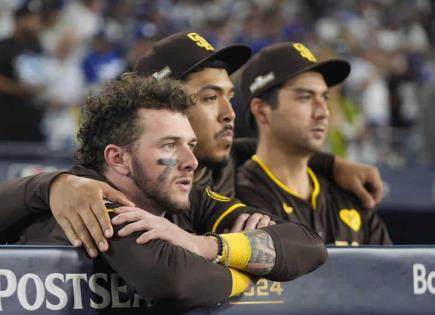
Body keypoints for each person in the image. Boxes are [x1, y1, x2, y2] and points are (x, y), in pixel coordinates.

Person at [0, 31, 384, 255]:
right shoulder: (111, 188)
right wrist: (52, 185)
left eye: (228, 96)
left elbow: (267, 149)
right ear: (163, 108)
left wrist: (333, 164)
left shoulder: (231, 158)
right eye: (207, 97)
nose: (229, 113)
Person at [5, 74, 326, 312]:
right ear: (118, 158)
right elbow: (177, 282)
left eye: (190, 145)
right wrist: (251, 275)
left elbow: (307, 245)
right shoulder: (90, 202)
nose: (191, 162)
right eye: (170, 145)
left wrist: (205, 245)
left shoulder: (183, 197)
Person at [236, 42, 391, 245]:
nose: (323, 112)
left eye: (324, 97)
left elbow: (393, 274)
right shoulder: (237, 197)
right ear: (262, 111)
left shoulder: (350, 194)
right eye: (305, 97)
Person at [0, 0, 45, 141]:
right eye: (31, 18)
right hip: (7, 117)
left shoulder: (37, 47)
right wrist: (20, 89)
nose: (36, 23)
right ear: (19, 20)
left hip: (32, 118)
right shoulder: (4, 47)